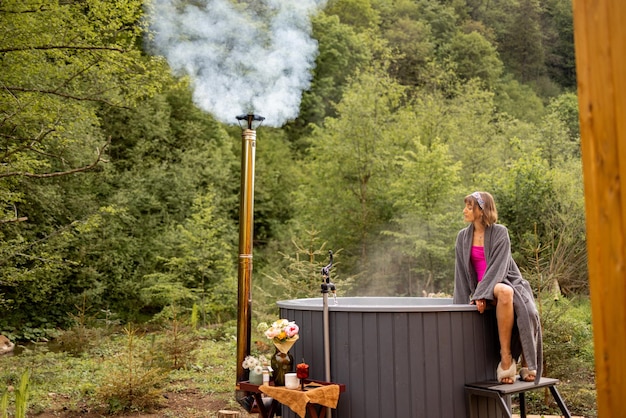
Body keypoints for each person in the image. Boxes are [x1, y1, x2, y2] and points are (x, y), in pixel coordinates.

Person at [453, 191, 542, 384]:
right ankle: (506, 358)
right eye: (466, 206)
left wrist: (482, 295)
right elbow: (460, 273)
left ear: (482, 210)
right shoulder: (462, 238)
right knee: (504, 292)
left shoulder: (501, 232)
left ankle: (527, 361)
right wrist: (458, 308)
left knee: (528, 310)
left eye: (470, 207)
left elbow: (498, 267)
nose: (465, 210)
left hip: (506, 280)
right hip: (482, 288)